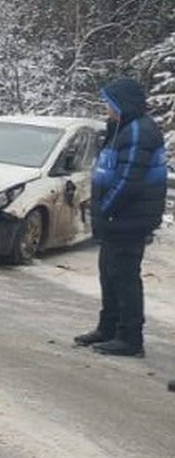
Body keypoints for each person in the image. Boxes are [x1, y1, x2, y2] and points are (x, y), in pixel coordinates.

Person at [74, 78, 168, 357]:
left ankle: (130, 337)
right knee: (109, 273)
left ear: (121, 104)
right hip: (117, 217)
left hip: (129, 217)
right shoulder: (121, 128)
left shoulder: (139, 131)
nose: (106, 108)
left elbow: (129, 180)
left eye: (109, 103)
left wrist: (107, 209)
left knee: (124, 276)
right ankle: (108, 327)